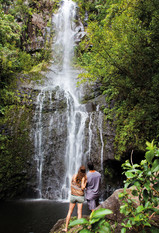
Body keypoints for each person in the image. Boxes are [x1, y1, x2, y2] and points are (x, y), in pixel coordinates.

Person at [63, 166, 87, 232]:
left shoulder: (74, 176)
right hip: (80, 197)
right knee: (79, 212)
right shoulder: (83, 178)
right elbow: (82, 187)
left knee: (69, 212)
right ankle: (79, 228)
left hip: (73, 196)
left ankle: (66, 228)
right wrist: (85, 183)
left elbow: (71, 184)